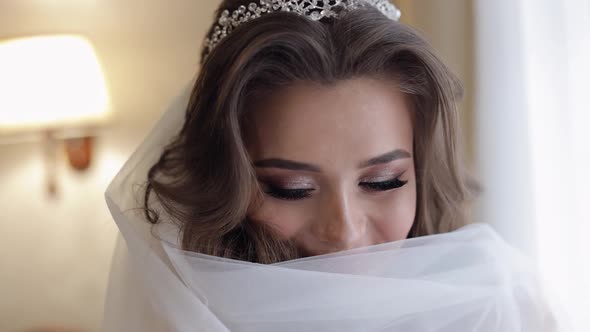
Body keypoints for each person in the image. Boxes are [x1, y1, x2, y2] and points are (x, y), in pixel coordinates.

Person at [103, 1, 572, 331]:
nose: (344, 232)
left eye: (383, 181)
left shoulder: (508, 311)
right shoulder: (172, 318)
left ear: (423, 171)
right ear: (225, 181)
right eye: (292, 188)